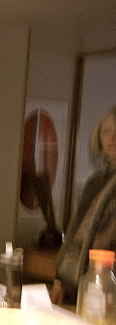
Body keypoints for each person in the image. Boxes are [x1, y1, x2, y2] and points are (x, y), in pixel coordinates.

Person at [51, 105, 116, 304]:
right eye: (106, 132)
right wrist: (59, 280)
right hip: (83, 282)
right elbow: (74, 230)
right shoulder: (95, 182)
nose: (112, 138)